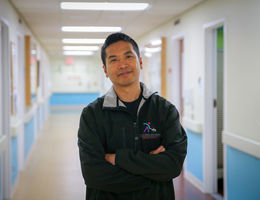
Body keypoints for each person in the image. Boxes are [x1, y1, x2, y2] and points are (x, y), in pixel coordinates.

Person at [78, 32, 187, 200]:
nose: (122, 65)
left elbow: (172, 166)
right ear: (105, 70)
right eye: (114, 60)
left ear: (140, 62)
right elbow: (94, 175)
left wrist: (119, 159)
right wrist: (152, 169)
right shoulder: (92, 115)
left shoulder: (164, 110)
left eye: (128, 57)